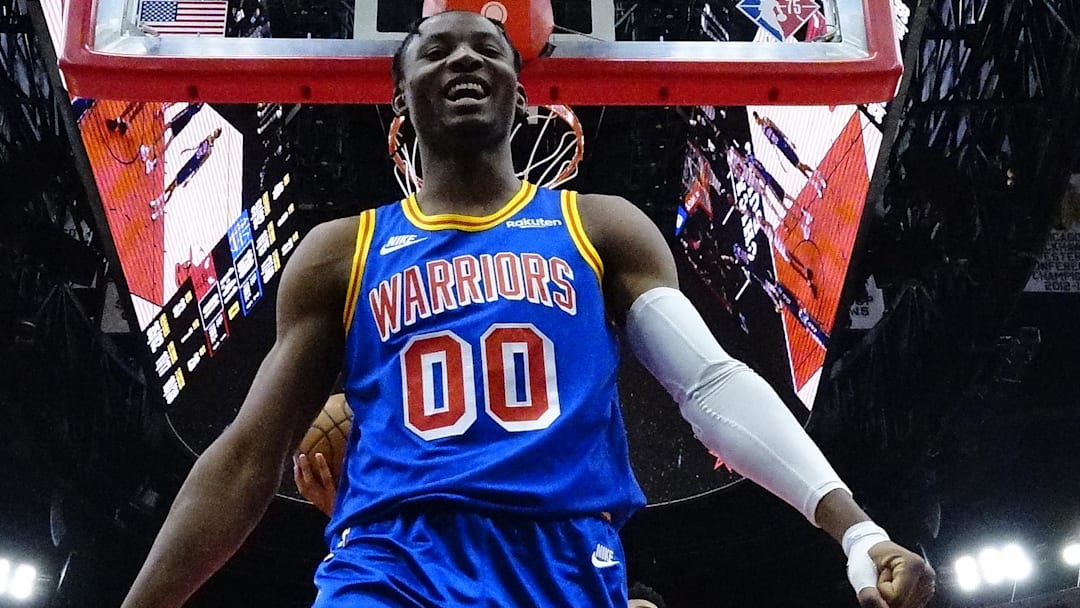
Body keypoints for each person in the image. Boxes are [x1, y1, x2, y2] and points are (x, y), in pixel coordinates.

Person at [121, 10, 935, 608]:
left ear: (523, 97)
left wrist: (858, 530)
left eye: (487, 49)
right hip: (389, 567)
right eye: (435, 50)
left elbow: (711, 385)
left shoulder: (599, 226)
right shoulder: (340, 252)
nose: (464, 58)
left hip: (566, 569)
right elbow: (243, 458)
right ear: (400, 106)